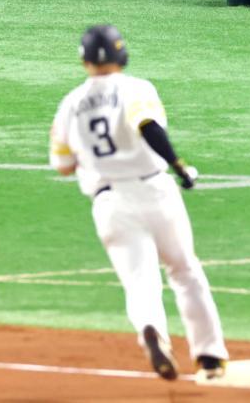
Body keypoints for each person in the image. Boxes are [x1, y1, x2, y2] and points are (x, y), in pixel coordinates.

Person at [48, 25, 228, 381]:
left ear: (84, 60)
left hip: (109, 202)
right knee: (184, 271)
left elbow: (63, 165)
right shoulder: (136, 88)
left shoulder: (70, 104)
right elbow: (148, 127)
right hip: (154, 191)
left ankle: (151, 330)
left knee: (139, 280)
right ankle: (209, 355)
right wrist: (179, 165)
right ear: (121, 55)